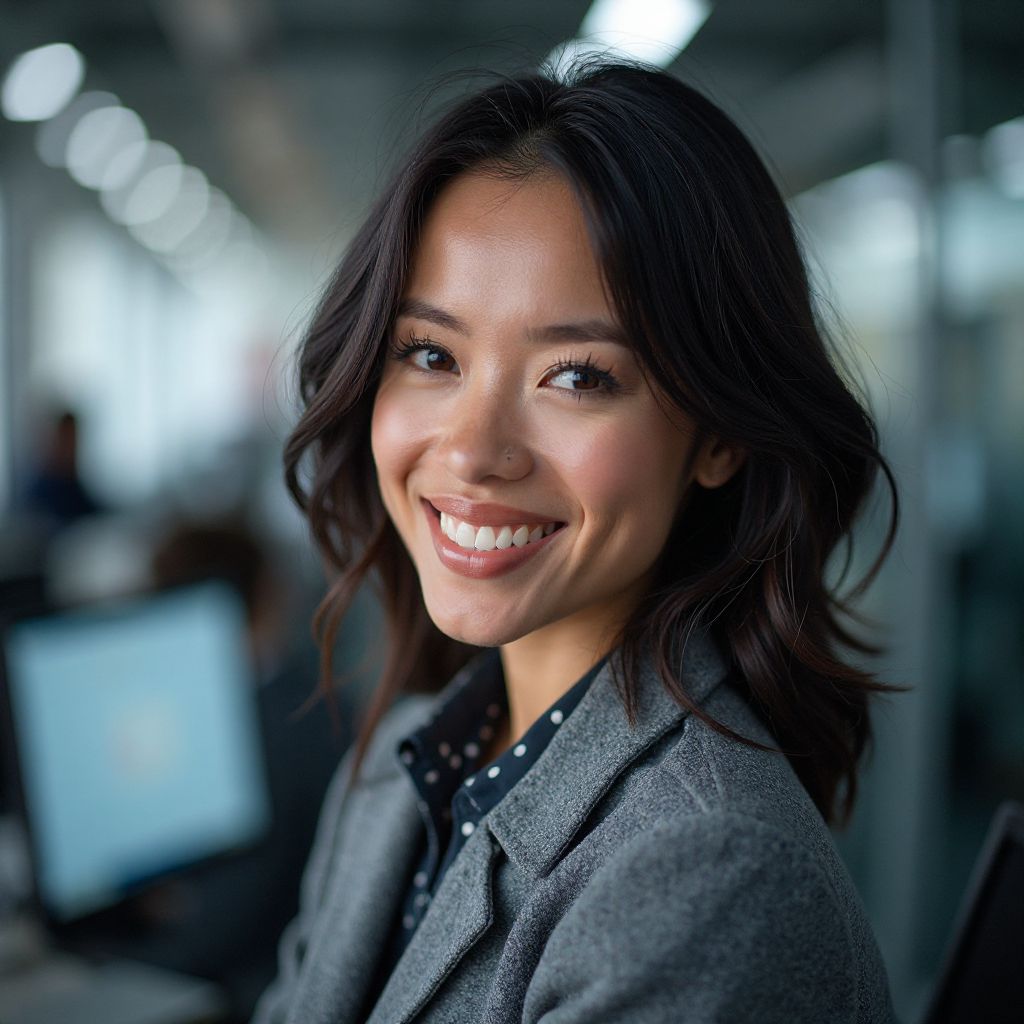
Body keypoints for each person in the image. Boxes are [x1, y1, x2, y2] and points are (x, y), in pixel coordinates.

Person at [252, 60, 900, 1023]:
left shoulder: (704, 874)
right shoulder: (397, 765)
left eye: (577, 377)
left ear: (719, 434)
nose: (472, 453)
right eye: (431, 355)